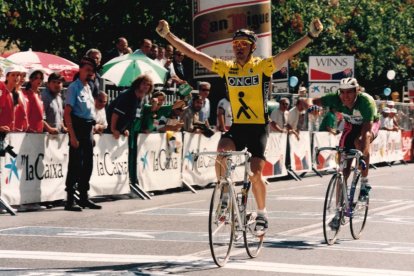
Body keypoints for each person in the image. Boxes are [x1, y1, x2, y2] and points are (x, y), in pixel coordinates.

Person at [156, 17, 323, 235]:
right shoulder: (228, 68)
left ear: (252, 47)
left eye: (244, 45)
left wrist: (310, 36)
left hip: (258, 128)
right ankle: (224, 193)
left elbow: (287, 53)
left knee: (255, 175)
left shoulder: (262, 66)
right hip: (239, 126)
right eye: (235, 45)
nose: (239, 49)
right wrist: (168, 36)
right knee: (222, 151)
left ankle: (262, 213)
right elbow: (196, 54)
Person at [307, 77, 380, 227]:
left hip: (368, 126)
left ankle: (365, 183)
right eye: (343, 92)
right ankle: (339, 212)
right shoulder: (334, 99)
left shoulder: (366, 102)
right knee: (343, 170)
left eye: (349, 93)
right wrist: (311, 107)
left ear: (357, 92)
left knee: (361, 139)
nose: (345, 96)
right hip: (351, 127)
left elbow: (366, 129)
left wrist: (361, 152)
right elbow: (308, 101)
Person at [64, 57, 101, 211]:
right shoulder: (74, 87)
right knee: (75, 165)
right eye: (87, 70)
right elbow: (67, 113)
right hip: (77, 128)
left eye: (92, 71)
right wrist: (72, 135)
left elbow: (90, 112)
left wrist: (93, 129)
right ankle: (70, 199)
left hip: (88, 129)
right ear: (80, 70)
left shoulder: (89, 87)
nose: (90, 73)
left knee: (88, 165)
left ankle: (84, 197)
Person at [106, 74, 154, 139]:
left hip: (120, 130)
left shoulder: (140, 98)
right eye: (144, 83)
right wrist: (113, 129)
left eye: (148, 84)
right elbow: (115, 114)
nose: (146, 86)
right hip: (109, 130)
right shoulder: (128, 95)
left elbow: (131, 116)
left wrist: (124, 130)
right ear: (138, 84)